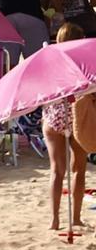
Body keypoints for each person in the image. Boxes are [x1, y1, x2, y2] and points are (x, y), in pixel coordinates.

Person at [43, 23, 88, 232]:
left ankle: (54, 220)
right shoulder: (85, 61)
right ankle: (76, 218)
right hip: (76, 116)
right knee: (79, 169)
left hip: (54, 119)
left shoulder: (48, 60)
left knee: (56, 171)